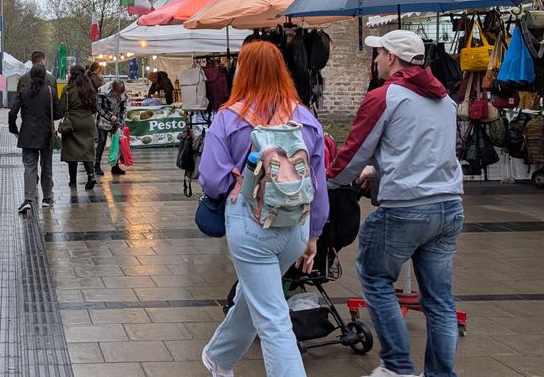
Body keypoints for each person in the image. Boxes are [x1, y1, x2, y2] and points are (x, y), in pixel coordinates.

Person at [328, 30, 463, 377]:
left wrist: (328, 182)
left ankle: (398, 367)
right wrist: (382, 169)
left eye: (380, 53)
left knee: (374, 278)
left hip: (406, 208)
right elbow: (429, 150)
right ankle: (441, 374)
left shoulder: (384, 96)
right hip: (449, 205)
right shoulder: (445, 99)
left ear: (392, 58)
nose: (375, 60)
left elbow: (354, 153)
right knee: (440, 301)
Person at [198, 40, 328, 377]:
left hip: (251, 226)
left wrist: (237, 180)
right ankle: (219, 357)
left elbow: (211, 180)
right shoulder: (306, 119)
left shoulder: (228, 118)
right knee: (255, 293)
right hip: (296, 227)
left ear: (244, 70)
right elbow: (318, 183)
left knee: (273, 319)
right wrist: (314, 234)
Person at [9, 65, 59, 213]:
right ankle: (47, 197)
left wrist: (14, 130)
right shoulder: (51, 91)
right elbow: (58, 113)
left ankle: (29, 199)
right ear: (44, 76)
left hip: (27, 134)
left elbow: (12, 113)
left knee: (29, 167)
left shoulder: (23, 91)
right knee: (47, 166)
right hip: (46, 133)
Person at [61, 65, 98, 190]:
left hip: (72, 122)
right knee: (87, 150)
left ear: (72, 75)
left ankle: (72, 180)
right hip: (87, 121)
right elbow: (95, 107)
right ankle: (91, 175)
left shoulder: (67, 89)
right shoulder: (89, 88)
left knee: (72, 152)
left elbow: (62, 108)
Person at [97, 81, 128, 176]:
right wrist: (110, 116)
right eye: (116, 93)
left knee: (116, 143)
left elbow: (123, 108)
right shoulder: (102, 91)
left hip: (116, 121)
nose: (118, 95)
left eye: (120, 93)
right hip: (103, 120)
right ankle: (97, 165)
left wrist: (120, 120)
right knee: (102, 141)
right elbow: (100, 107)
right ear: (113, 89)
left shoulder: (123, 94)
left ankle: (115, 166)